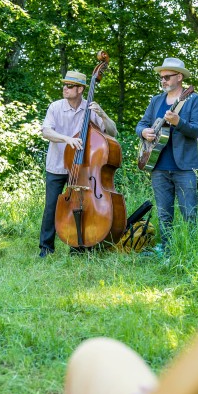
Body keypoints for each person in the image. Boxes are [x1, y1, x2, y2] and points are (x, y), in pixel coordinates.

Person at [39, 71, 118, 258]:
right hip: (58, 164)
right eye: (65, 85)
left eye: (70, 86)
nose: (65, 88)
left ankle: (78, 245)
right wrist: (67, 139)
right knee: (52, 206)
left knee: (82, 204)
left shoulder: (90, 108)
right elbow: (46, 132)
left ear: (81, 89)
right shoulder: (55, 107)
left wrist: (103, 114)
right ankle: (46, 247)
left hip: (84, 168)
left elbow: (112, 133)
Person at [136, 57, 198, 255]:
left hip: (183, 168)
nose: (163, 81)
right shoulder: (156, 100)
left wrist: (178, 122)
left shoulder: (193, 100)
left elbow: (195, 131)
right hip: (157, 165)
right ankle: (167, 251)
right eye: (161, 78)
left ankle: (194, 252)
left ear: (180, 77)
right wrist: (144, 132)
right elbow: (141, 124)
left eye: (167, 77)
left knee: (189, 213)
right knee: (164, 214)